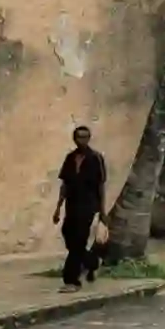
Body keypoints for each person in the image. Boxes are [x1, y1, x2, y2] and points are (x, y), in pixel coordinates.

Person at [53, 125, 107, 293]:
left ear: (89, 138)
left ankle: (71, 280)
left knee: (79, 240)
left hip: (88, 206)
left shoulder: (95, 158)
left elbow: (101, 186)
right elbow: (65, 184)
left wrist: (103, 211)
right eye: (79, 137)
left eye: (85, 137)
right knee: (68, 235)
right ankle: (92, 262)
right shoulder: (70, 158)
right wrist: (57, 207)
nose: (81, 140)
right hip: (71, 205)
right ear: (74, 139)